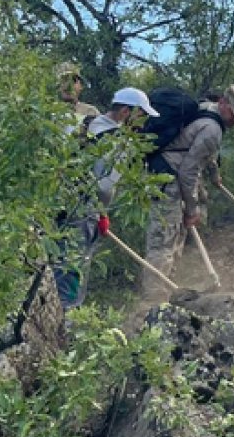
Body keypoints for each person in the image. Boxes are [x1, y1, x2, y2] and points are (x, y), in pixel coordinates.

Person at [140, 84, 234, 303]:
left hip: (167, 176)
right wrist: (192, 209)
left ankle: (167, 292)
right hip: (169, 180)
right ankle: (153, 301)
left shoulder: (205, 108)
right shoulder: (213, 129)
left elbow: (202, 157)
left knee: (173, 240)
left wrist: (214, 174)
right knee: (163, 243)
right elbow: (188, 171)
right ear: (223, 103)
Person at [54, 87, 160, 309]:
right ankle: (66, 320)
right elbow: (104, 186)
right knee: (74, 265)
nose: (143, 122)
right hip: (83, 210)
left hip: (57, 201)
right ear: (125, 111)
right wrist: (102, 213)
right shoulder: (119, 142)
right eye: (142, 115)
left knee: (52, 260)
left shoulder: (84, 122)